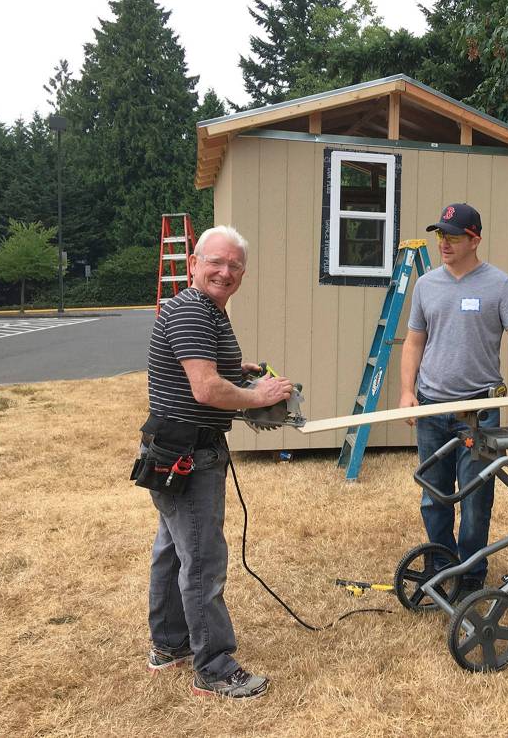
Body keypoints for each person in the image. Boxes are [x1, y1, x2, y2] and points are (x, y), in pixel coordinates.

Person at [140, 225, 293, 697]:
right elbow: (205, 389)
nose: (225, 272)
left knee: (174, 550)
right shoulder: (193, 311)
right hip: (187, 453)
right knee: (203, 560)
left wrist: (236, 370)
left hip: (173, 447)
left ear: (243, 274)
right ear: (193, 264)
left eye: (235, 266)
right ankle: (215, 668)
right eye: (215, 262)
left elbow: (203, 369)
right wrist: (259, 395)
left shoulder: (206, 310)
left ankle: (170, 644)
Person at [399, 203, 508, 600]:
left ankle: (470, 574)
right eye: (440, 235)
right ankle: (441, 565)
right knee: (433, 495)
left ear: (474, 240)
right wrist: (407, 393)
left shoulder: (499, 285)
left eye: (452, 236)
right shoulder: (426, 285)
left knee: (475, 497)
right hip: (432, 407)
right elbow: (414, 342)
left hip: (479, 411)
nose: (443, 243)